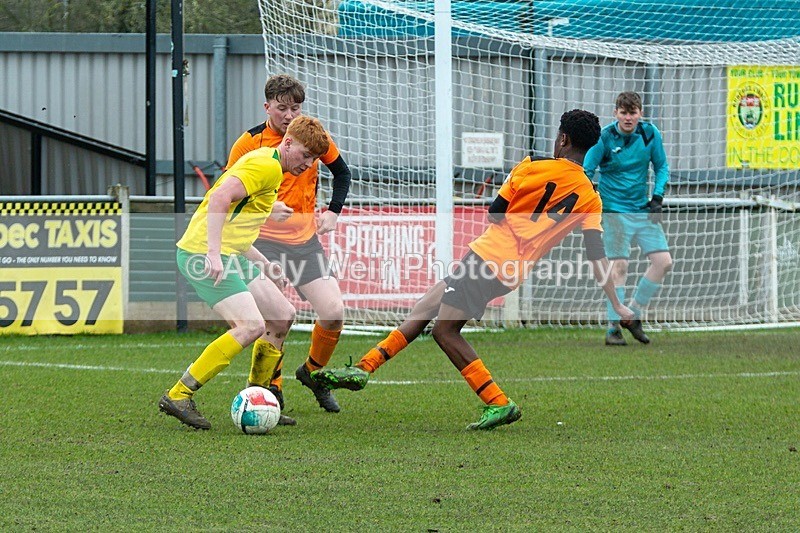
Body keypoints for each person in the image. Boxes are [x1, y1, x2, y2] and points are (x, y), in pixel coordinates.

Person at [312, 109, 634, 430]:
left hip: (487, 256)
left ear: (562, 138)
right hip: (511, 271)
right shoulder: (591, 197)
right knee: (426, 305)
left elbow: (496, 213)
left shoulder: (532, 165)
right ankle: (365, 368)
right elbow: (596, 253)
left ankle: (497, 401)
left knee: (445, 331)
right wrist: (617, 303)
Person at [158, 115, 330, 430]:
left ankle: (259, 395)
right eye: (306, 155)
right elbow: (221, 198)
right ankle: (179, 395)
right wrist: (212, 253)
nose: (308, 164)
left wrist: (264, 263)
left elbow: (237, 225)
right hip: (201, 253)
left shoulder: (273, 166)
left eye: (314, 159)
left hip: (229, 252)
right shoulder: (266, 166)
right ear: (288, 143)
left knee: (282, 314)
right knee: (250, 325)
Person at [226, 74, 352, 415]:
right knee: (276, 318)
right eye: (282, 108)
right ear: (267, 107)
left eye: (295, 108)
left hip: (304, 241)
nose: (288, 114)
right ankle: (271, 391)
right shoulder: (249, 143)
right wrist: (267, 210)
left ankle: (311, 374)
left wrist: (333, 212)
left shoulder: (311, 137)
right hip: (261, 241)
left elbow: (342, 173)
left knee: (333, 312)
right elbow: (227, 196)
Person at [583, 91, 673, 346]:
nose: (628, 118)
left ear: (640, 113)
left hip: (642, 209)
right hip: (613, 211)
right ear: (616, 114)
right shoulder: (605, 137)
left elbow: (662, 166)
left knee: (663, 262)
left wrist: (657, 197)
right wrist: (590, 195)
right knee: (619, 267)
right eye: (623, 113)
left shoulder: (649, 134)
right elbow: (587, 170)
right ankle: (613, 328)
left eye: (633, 113)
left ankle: (632, 314)